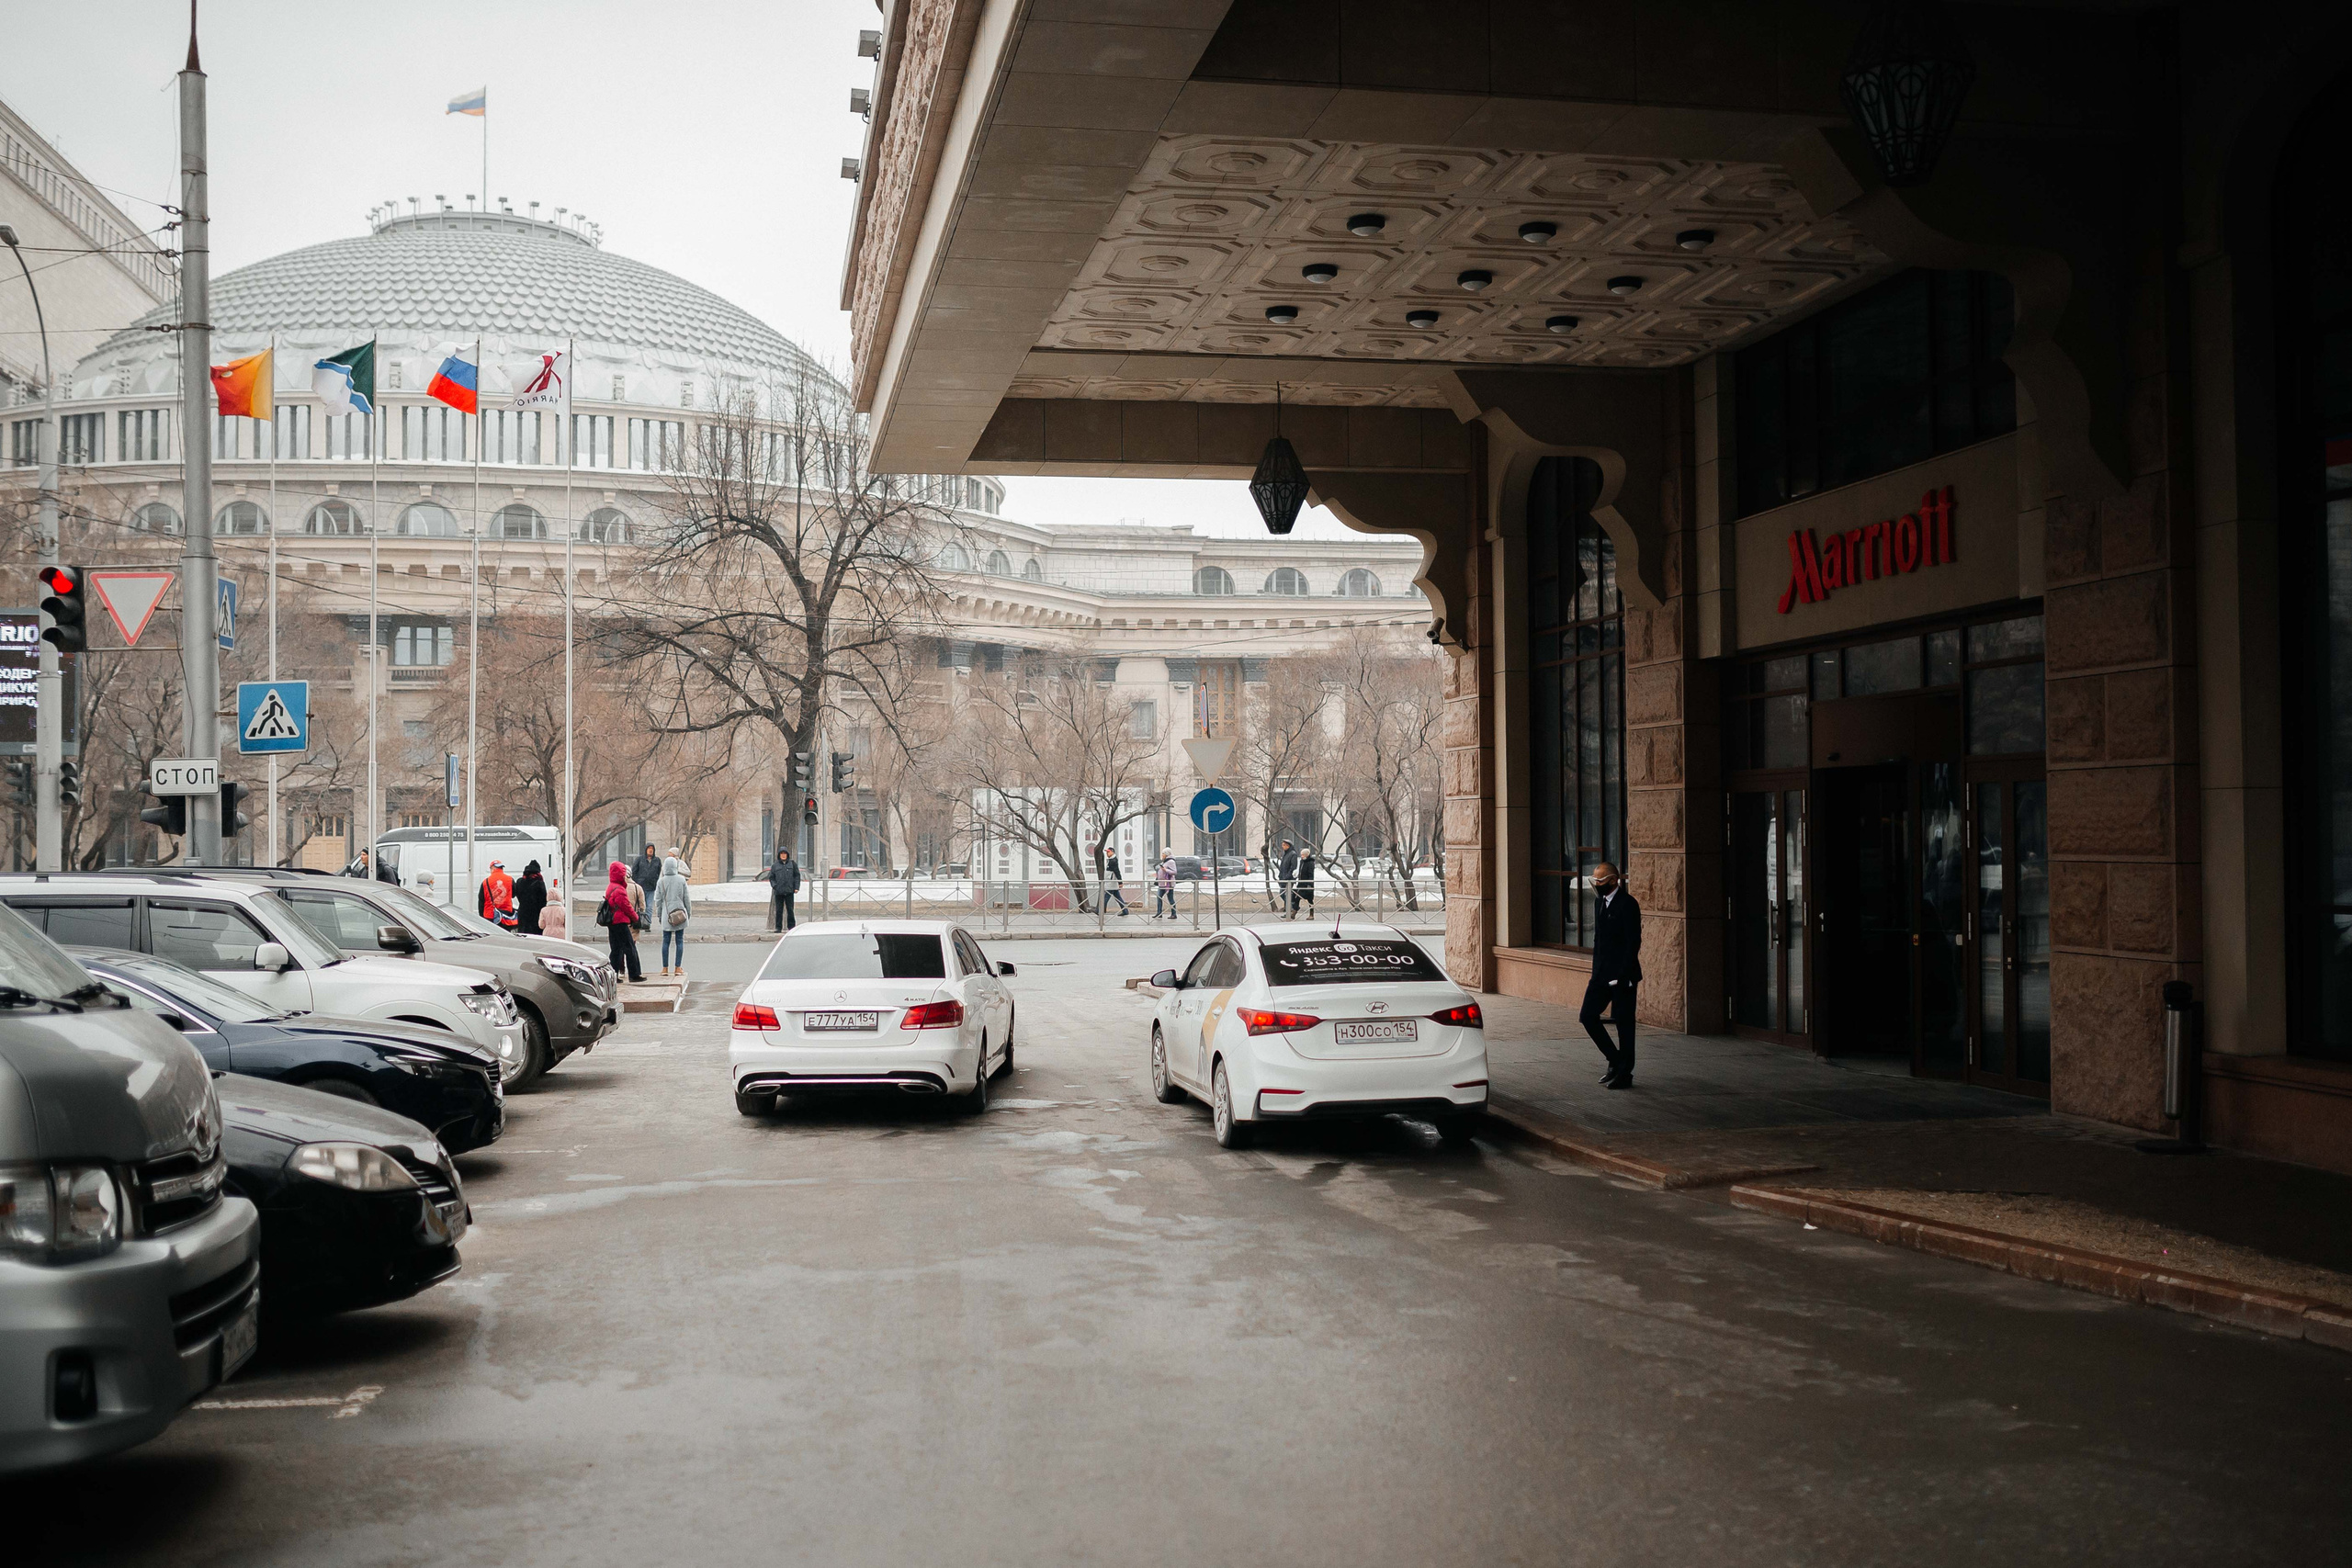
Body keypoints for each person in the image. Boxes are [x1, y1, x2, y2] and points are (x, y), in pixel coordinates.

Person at [1581, 862, 1643, 1089]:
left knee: (1624, 1025)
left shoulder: (1628, 904)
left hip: (1622, 976)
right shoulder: (1599, 903)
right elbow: (1599, 942)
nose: (1597, 885)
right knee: (1588, 1016)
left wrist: (1623, 975)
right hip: (1600, 975)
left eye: (1601, 881)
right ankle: (1615, 1060)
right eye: (1595, 881)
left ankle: (1625, 1073)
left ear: (1614, 880)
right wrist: (1596, 972)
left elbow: (1632, 943)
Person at [600, 860, 644, 982]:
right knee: (629, 947)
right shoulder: (619, 889)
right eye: (623, 873)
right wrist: (635, 918)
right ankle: (634, 974)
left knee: (616, 949)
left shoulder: (611, 887)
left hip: (612, 923)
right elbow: (626, 906)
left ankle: (612, 975)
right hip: (620, 922)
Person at [653, 851, 692, 976]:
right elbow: (687, 899)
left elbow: (658, 901)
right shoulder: (681, 880)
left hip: (667, 915)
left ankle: (665, 968)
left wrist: (659, 915)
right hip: (680, 914)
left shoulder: (661, 882)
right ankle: (678, 968)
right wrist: (688, 914)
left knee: (666, 942)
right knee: (679, 941)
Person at [764, 847, 800, 932]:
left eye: (785, 854)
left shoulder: (792, 864)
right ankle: (778, 927)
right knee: (779, 910)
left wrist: (796, 887)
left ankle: (791, 927)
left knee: (790, 910)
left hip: (789, 891)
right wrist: (774, 886)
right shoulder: (775, 865)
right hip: (779, 892)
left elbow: (797, 876)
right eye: (781, 854)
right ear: (779, 855)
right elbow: (771, 877)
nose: (783, 855)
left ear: (787, 855)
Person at [514, 861, 548, 936]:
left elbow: (517, 894)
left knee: (524, 936)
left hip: (523, 913)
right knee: (535, 937)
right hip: (536, 915)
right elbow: (543, 900)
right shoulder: (539, 883)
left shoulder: (520, 881)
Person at [479, 859, 516, 929]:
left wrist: (481, 916)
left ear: (492, 868)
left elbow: (481, 900)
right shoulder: (510, 879)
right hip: (506, 916)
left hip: (490, 916)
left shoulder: (485, 882)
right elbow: (513, 895)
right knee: (506, 937)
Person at [630, 845, 661, 910]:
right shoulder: (639, 859)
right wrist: (636, 883)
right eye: (649, 848)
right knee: (640, 906)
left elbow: (659, 872)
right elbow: (634, 872)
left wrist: (655, 881)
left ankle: (648, 920)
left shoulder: (657, 860)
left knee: (649, 907)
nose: (651, 850)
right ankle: (641, 920)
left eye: (652, 848)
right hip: (641, 886)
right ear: (646, 849)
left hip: (651, 887)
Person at [1102, 850, 1130, 915]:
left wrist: (1120, 882)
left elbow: (1117, 871)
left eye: (1108, 852)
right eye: (1106, 852)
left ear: (1112, 852)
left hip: (1111, 883)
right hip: (1111, 882)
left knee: (1106, 897)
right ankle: (1125, 911)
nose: (1107, 853)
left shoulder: (1113, 861)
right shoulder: (1110, 860)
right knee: (1118, 898)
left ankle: (1099, 910)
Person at [1292, 845, 1317, 917]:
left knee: (1310, 900)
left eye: (1303, 855)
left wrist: (1310, 884)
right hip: (1301, 884)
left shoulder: (1310, 863)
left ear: (1307, 855)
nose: (1301, 856)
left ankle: (1311, 914)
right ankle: (1294, 912)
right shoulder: (1302, 862)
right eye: (1301, 855)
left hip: (1308, 884)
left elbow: (1311, 874)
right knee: (1296, 897)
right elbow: (1300, 872)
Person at [1276, 840, 1298, 913]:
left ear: (1288, 845)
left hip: (1289, 879)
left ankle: (1292, 908)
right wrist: (1280, 876)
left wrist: (1288, 876)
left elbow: (1293, 867)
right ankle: (1290, 909)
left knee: (1285, 895)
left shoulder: (1293, 854)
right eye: (1282, 845)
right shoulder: (1285, 854)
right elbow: (1282, 866)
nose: (1282, 847)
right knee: (1284, 894)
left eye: (1284, 845)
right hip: (1283, 878)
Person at [1153, 854, 1177, 919]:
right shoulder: (1165, 861)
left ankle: (1174, 914)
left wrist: (1165, 870)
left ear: (1166, 854)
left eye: (1163, 854)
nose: (1162, 855)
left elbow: (1174, 872)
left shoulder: (1171, 861)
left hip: (1168, 883)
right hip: (1162, 883)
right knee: (1159, 897)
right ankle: (1159, 913)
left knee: (1170, 898)